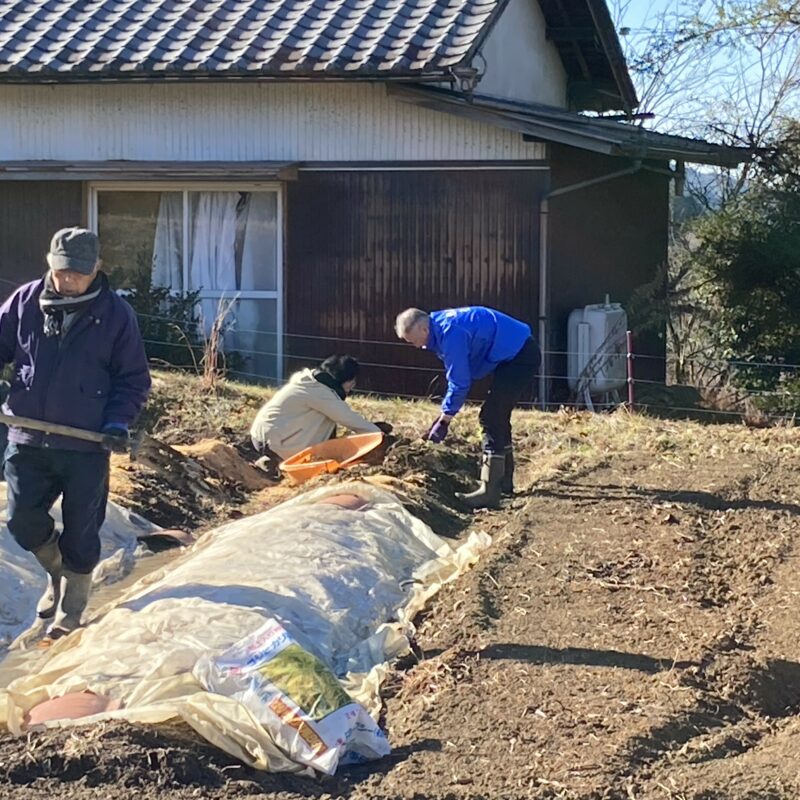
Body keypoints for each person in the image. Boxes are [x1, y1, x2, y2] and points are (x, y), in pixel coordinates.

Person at [0, 227, 151, 637]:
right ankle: (56, 575)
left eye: (79, 274)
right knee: (21, 521)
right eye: (63, 272)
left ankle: (73, 607)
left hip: (85, 442)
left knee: (82, 527)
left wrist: (117, 422)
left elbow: (133, 379)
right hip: (28, 437)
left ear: (97, 268)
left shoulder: (116, 315)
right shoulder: (26, 301)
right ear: (50, 264)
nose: (69, 281)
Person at [395, 306, 539, 509]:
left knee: (490, 417)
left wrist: (445, 419)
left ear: (423, 330)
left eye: (412, 341)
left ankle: (489, 491)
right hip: (512, 353)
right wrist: (445, 413)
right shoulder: (440, 328)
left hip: (521, 356)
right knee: (497, 415)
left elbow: (460, 381)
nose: (416, 346)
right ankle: (504, 483)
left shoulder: (450, 333)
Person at [250, 355, 388, 475]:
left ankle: (273, 460)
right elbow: (347, 418)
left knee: (326, 422)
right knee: (329, 427)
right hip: (274, 441)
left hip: (266, 437)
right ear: (346, 380)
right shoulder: (320, 393)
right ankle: (279, 462)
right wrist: (379, 435)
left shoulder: (310, 383)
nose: (351, 388)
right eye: (351, 383)